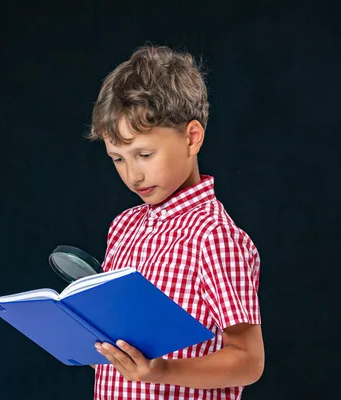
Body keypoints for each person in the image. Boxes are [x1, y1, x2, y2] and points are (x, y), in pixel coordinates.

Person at [85, 44, 264, 400]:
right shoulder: (123, 227)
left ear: (191, 137)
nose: (133, 175)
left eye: (145, 154)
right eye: (118, 159)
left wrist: (159, 371)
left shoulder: (214, 236)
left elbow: (248, 360)